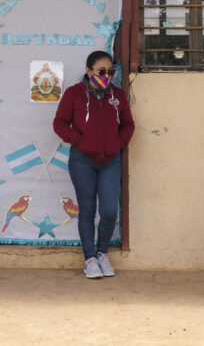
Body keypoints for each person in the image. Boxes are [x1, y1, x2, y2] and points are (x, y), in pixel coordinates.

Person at [53, 50, 135, 279]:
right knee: (87, 210)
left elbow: (128, 124)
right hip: (82, 161)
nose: (107, 75)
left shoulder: (117, 95)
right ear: (89, 71)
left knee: (109, 211)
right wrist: (79, 140)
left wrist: (118, 143)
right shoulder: (74, 94)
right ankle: (89, 258)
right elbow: (59, 123)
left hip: (110, 160)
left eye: (110, 71)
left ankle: (102, 253)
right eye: (101, 71)